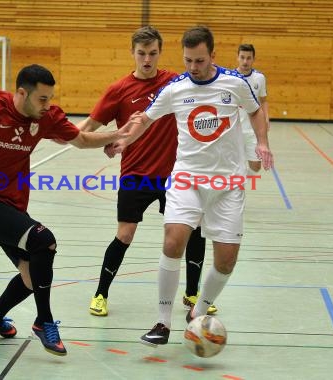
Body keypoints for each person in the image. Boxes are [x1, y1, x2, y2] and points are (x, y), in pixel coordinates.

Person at [0, 64, 131, 356]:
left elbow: (81, 139)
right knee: (43, 239)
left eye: (50, 98)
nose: (47, 105)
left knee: (31, 276)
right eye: (42, 98)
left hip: (11, 205)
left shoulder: (46, 116)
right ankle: (44, 321)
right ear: (22, 93)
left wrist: (120, 134)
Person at [112, 26, 273, 346]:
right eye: (187, 61)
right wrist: (122, 140)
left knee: (226, 259)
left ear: (212, 55)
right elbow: (145, 119)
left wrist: (262, 143)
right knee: (173, 242)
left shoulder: (235, 83)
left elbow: (256, 112)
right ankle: (161, 322)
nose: (193, 67)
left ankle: (197, 313)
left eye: (199, 60)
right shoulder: (175, 89)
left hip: (228, 184)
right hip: (187, 178)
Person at [78, 26, 216, 317]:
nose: (147, 59)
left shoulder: (173, 83)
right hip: (135, 174)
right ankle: (101, 293)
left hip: (175, 176)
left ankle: (192, 295)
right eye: (141, 53)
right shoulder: (118, 90)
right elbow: (87, 129)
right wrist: (94, 138)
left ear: (160, 53)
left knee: (193, 232)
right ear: (132, 53)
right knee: (125, 235)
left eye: (152, 53)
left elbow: (207, 77)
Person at [235, 44, 270, 174]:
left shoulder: (259, 78)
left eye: (248, 58)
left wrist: (266, 118)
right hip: (234, 129)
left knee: (256, 166)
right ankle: (236, 185)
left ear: (253, 59)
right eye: (242, 57)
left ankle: (241, 177)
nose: (245, 61)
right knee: (234, 164)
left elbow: (264, 100)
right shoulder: (231, 78)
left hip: (252, 130)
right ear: (237, 58)